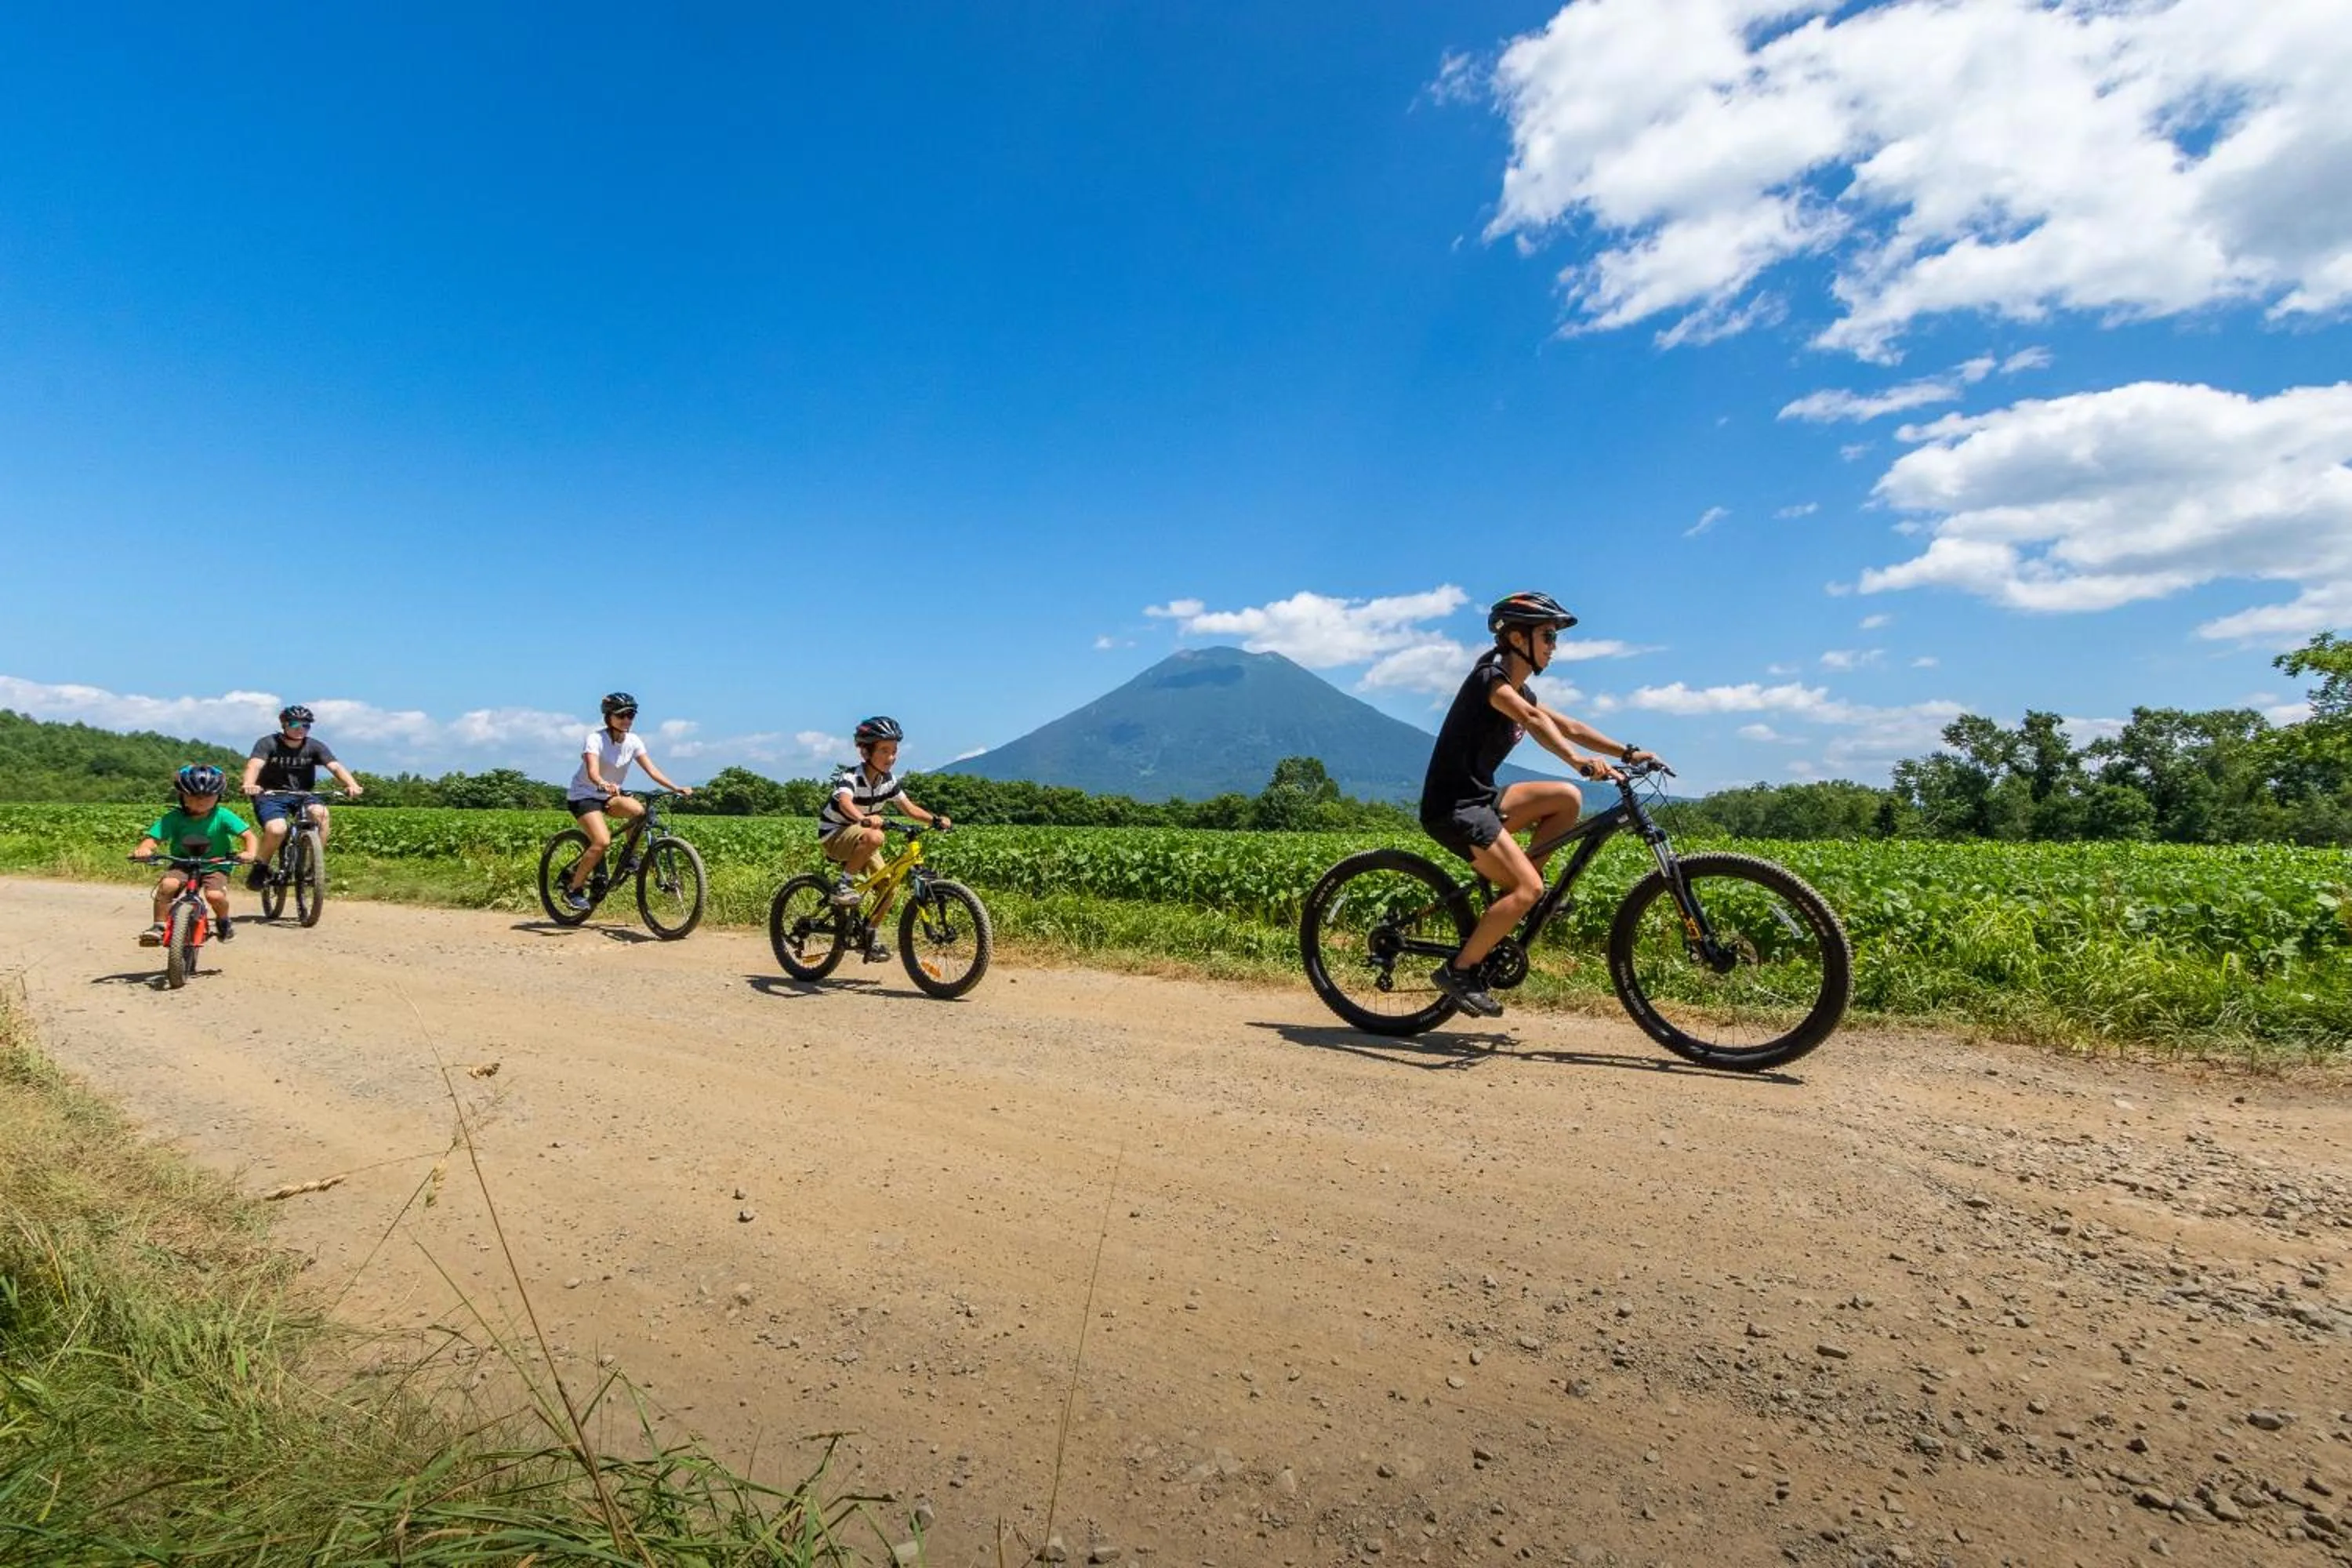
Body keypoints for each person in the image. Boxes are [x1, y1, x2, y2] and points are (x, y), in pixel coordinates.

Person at [1418, 592, 1664, 1018]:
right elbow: (1533, 723)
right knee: (1528, 889)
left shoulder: (1521, 689)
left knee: (1566, 797)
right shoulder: (1490, 680)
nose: (1554, 645)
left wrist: (1627, 752)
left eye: (1555, 638)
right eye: (1548, 636)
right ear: (1516, 637)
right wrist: (1577, 761)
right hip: (1454, 808)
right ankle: (1460, 970)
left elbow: (1567, 725)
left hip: (1483, 798)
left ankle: (1518, 888)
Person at [817, 715, 949, 961]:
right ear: (866, 752)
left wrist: (935, 820)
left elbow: (909, 809)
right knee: (876, 837)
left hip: (863, 839)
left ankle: (869, 935)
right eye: (884, 751)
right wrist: (862, 818)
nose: (891, 757)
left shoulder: (889, 781)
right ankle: (842, 885)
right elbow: (844, 801)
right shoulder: (851, 777)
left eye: (895, 751)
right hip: (835, 836)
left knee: (889, 887)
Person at [555, 692, 694, 911]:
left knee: (640, 812)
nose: (627, 720)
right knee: (602, 842)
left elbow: (652, 770)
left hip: (610, 796)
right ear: (608, 717)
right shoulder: (595, 739)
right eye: (621, 715)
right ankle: (574, 889)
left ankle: (630, 858)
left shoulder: (634, 741)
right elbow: (592, 772)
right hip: (584, 795)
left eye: (631, 715)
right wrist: (602, 782)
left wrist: (675, 787)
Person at [241, 703, 364, 888]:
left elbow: (335, 766)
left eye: (306, 725)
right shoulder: (268, 743)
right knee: (277, 829)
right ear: (284, 724)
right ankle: (261, 867)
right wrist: (249, 784)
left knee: (321, 813)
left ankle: (315, 867)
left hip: (303, 794)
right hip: (271, 794)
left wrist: (351, 784)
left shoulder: (315, 746)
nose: (301, 729)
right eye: (295, 725)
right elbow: (254, 765)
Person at [135, 764, 257, 946]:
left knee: (215, 896)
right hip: (183, 863)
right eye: (193, 796)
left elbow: (248, 835)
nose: (201, 801)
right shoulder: (174, 818)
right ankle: (159, 926)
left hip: (216, 864)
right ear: (182, 796)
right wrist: (144, 849)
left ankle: (224, 922)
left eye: (208, 797)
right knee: (168, 885)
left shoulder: (223, 815)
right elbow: (153, 838)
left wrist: (250, 852)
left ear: (218, 797)